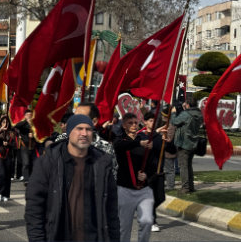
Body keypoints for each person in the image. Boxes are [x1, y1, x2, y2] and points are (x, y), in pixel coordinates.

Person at [24, 114, 120, 242]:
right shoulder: (48, 163)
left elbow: (111, 211)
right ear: (68, 132)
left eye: (88, 129)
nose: (84, 133)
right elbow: (34, 209)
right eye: (79, 128)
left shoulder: (102, 164)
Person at [114, 112, 159, 242]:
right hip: (125, 189)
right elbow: (121, 146)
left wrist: (147, 174)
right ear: (124, 125)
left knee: (147, 221)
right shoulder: (119, 141)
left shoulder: (144, 142)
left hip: (144, 190)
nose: (134, 125)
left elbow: (153, 164)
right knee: (124, 227)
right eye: (130, 123)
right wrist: (139, 144)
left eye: (136, 123)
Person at [170, 99, 203, 194]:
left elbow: (174, 121)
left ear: (188, 105)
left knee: (183, 166)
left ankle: (185, 188)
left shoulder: (186, 114)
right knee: (188, 166)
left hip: (184, 143)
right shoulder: (198, 114)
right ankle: (190, 186)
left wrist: (173, 113)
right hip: (193, 142)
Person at [0, 115, 17, 202]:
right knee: (1, 174)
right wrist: (0, 130)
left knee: (7, 175)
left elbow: (15, 145)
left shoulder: (12, 133)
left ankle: (5, 194)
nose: (5, 124)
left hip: (8, 155)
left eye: (6, 122)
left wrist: (9, 145)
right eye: (3, 122)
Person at [14, 110, 35, 180]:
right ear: (25, 116)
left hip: (33, 146)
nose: (29, 116)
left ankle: (32, 177)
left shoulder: (34, 124)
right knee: (26, 162)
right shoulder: (23, 124)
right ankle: (26, 178)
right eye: (28, 115)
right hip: (24, 146)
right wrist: (26, 121)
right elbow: (16, 126)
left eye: (30, 115)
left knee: (33, 163)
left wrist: (33, 135)